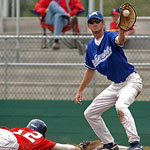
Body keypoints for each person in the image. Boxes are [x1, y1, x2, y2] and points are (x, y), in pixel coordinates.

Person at [75, 11, 143, 150]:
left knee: (121, 106)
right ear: (88, 25)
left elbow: (120, 40)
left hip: (131, 81)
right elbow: (90, 70)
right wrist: (80, 89)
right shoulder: (91, 47)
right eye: (92, 22)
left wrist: (122, 31)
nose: (95, 24)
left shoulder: (110, 35)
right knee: (90, 113)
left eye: (97, 21)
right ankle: (109, 144)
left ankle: (135, 144)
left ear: (103, 23)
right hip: (116, 85)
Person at [0, 119, 81, 150]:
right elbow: (65, 148)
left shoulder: (20, 130)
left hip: (6, 133)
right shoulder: (40, 140)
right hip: (11, 142)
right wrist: (79, 149)